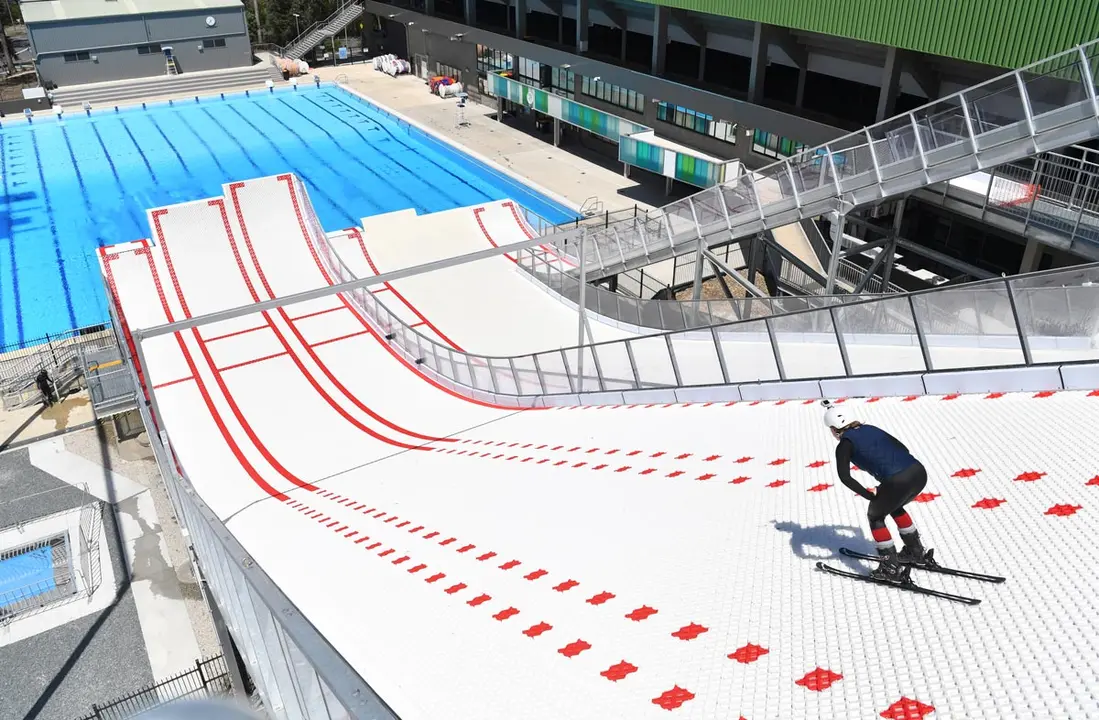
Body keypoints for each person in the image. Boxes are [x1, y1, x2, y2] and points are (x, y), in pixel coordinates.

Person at [823, 401, 929, 580]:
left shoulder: (844, 445)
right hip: (918, 472)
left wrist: (869, 495)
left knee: (875, 516)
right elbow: (902, 448)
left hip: (897, 482)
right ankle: (915, 552)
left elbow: (845, 477)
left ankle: (890, 568)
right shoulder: (871, 428)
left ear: (834, 429)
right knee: (894, 505)